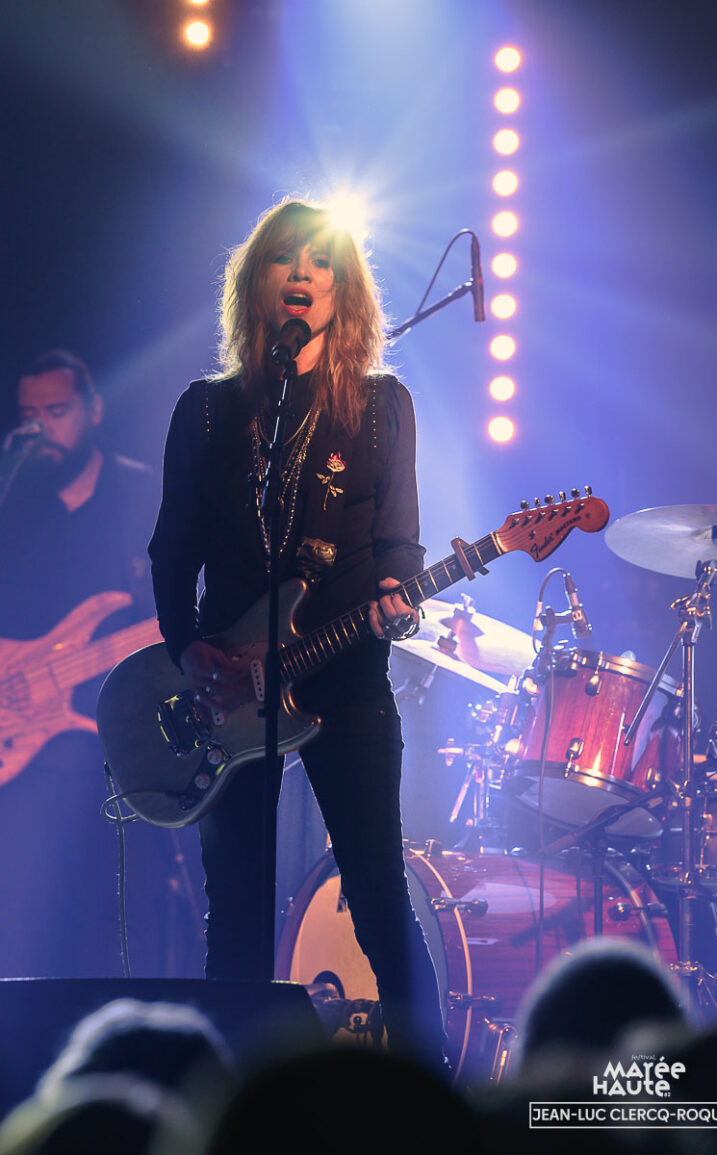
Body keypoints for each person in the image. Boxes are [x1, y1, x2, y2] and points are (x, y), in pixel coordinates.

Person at [148, 198, 446, 1066]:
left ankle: (434, 1087)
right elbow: (172, 549)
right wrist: (186, 646)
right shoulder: (208, 413)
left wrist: (398, 596)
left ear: (343, 289)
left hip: (346, 682)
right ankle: (232, 1093)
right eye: (287, 257)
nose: (304, 272)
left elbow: (400, 545)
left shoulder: (383, 407)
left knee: (379, 896)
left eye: (323, 260)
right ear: (259, 283)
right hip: (230, 692)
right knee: (235, 912)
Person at [0, 349, 203, 977]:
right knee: (23, 926)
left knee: (111, 922)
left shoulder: (140, 495)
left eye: (56, 410)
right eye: (28, 414)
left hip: (116, 744)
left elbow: (180, 598)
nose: (39, 427)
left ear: (94, 409)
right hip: (27, 751)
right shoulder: (15, 505)